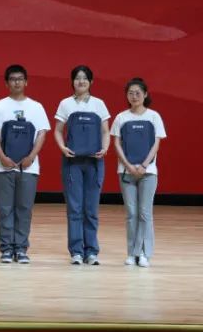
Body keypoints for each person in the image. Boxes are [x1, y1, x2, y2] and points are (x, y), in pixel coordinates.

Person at [0, 64, 50, 264]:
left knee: (24, 209)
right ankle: (6, 248)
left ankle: (21, 248)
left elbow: (42, 134)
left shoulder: (36, 107)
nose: (16, 82)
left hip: (29, 167)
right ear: (6, 83)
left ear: (26, 82)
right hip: (2, 166)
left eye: (20, 79)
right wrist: (2, 157)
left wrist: (31, 157)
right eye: (12, 79)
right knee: (4, 209)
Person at [53, 65, 111, 265]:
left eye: (85, 78)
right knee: (75, 208)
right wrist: (62, 148)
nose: (81, 81)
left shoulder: (99, 104)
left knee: (91, 209)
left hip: (94, 162)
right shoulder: (65, 104)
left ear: (91, 82)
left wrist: (105, 148)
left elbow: (105, 131)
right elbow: (58, 130)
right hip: (72, 163)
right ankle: (76, 252)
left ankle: (92, 251)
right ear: (72, 81)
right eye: (77, 78)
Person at [111, 77, 167, 268]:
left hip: (148, 172)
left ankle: (144, 253)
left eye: (137, 93)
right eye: (130, 93)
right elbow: (116, 144)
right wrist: (128, 165)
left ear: (145, 94)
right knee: (131, 213)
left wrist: (144, 165)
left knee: (145, 213)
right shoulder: (121, 117)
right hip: (126, 172)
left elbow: (156, 144)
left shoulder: (154, 117)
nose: (134, 96)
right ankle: (131, 253)